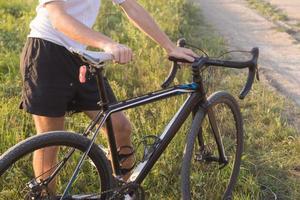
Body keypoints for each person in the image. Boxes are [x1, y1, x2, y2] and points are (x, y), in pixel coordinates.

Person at [20, 0, 198, 196]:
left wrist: (170, 47)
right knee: (49, 142)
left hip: (80, 55)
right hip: (47, 52)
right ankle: (46, 196)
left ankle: (121, 191)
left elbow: (131, 5)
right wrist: (108, 44)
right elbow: (58, 18)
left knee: (119, 127)